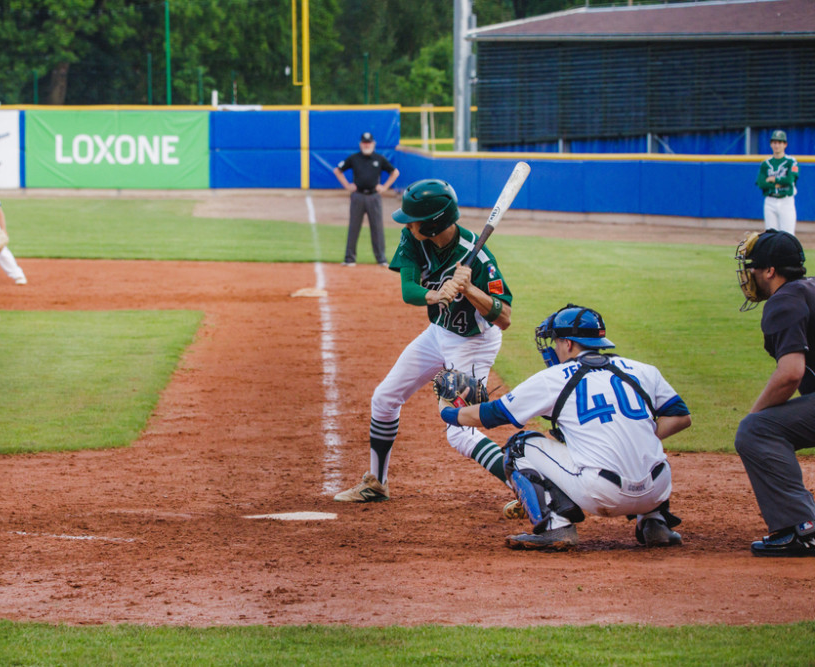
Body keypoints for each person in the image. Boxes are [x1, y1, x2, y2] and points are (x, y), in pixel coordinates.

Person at [437, 304, 692, 550]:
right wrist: (644, 438)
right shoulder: (643, 370)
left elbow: (495, 414)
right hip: (657, 488)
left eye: (556, 341)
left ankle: (555, 527)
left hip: (603, 494)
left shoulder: (554, 378)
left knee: (519, 447)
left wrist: (450, 413)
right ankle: (655, 523)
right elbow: (680, 417)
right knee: (642, 447)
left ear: (567, 343)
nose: (554, 348)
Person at [334, 179, 512, 503]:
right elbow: (408, 289)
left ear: (432, 224)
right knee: (384, 398)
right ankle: (377, 483)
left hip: (472, 344)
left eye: (413, 219)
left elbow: (505, 317)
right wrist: (435, 294)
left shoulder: (480, 259)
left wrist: (470, 290)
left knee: (460, 433)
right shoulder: (413, 238)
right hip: (438, 334)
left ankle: (528, 489)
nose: (406, 224)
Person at [734, 229, 815, 556]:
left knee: (756, 430)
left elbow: (790, 375)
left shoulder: (784, 301)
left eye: (754, 266)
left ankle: (800, 528)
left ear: (770, 271)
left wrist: (753, 418)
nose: (749, 272)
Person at [333, 131, 400, 267]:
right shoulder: (354, 158)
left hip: (374, 196)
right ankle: (349, 258)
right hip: (357, 196)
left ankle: (381, 259)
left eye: (369, 142)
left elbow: (395, 172)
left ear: (373, 144)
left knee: (377, 228)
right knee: (354, 227)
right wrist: (347, 185)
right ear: (360, 144)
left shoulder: (379, 159)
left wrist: (385, 187)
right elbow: (337, 170)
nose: (366, 145)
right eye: (364, 142)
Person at [756, 129, 799, 235]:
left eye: (780, 142)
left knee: (788, 237)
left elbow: (790, 180)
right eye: (774, 142)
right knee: (770, 237)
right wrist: (779, 182)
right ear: (771, 144)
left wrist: (774, 179)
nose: (777, 145)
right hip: (770, 200)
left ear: (785, 144)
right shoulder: (766, 163)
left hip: (786, 200)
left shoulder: (791, 161)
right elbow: (761, 183)